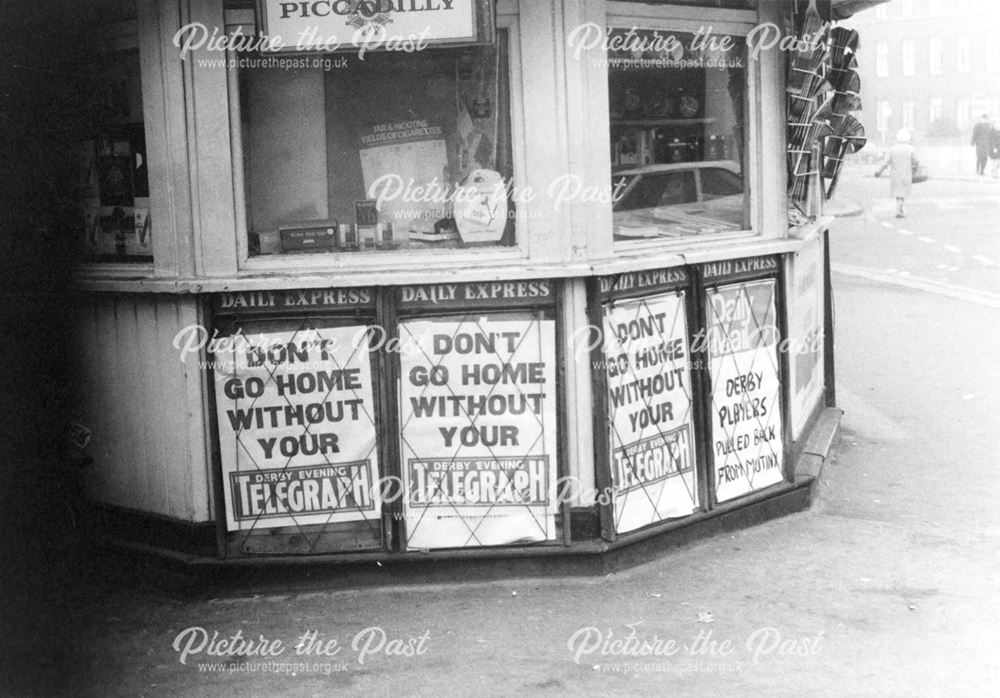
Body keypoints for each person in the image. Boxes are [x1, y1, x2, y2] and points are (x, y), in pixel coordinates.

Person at [875, 128, 918, 218]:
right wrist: (914, 169)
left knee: (898, 193)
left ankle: (900, 210)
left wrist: (878, 172)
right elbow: (916, 161)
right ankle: (899, 210)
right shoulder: (910, 149)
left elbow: (885, 162)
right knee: (903, 193)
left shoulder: (893, 149)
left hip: (895, 174)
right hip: (906, 173)